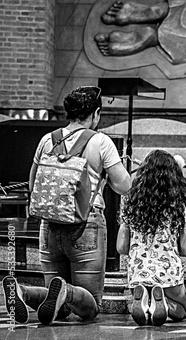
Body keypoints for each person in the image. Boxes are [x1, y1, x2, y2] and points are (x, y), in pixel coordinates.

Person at [2, 86, 131, 325]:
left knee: (59, 309)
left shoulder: (46, 140)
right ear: (96, 113)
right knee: (90, 306)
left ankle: (24, 292)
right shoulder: (100, 142)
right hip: (86, 225)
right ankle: (66, 291)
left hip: (49, 224)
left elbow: (33, 182)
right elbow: (125, 186)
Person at [117, 150, 186, 326]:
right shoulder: (179, 203)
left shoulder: (131, 201)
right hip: (168, 274)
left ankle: (147, 300)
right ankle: (163, 302)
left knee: (145, 290)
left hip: (138, 272)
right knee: (182, 311)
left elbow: (121, 247)